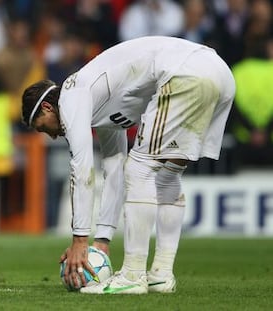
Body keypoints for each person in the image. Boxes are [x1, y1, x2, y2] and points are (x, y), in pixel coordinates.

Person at [21, 36, 235, 294]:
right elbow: (113, 169)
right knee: (166, 174)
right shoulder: (98, 104)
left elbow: (82, 167)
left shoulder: (72, 94)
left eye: (45, 127)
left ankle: (133, 276)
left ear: (46, 106)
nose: (53, 135)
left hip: (185, 72)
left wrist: (80, 240)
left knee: (140, 168)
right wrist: (102, 240)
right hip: (219, 73)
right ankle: (161, 275)